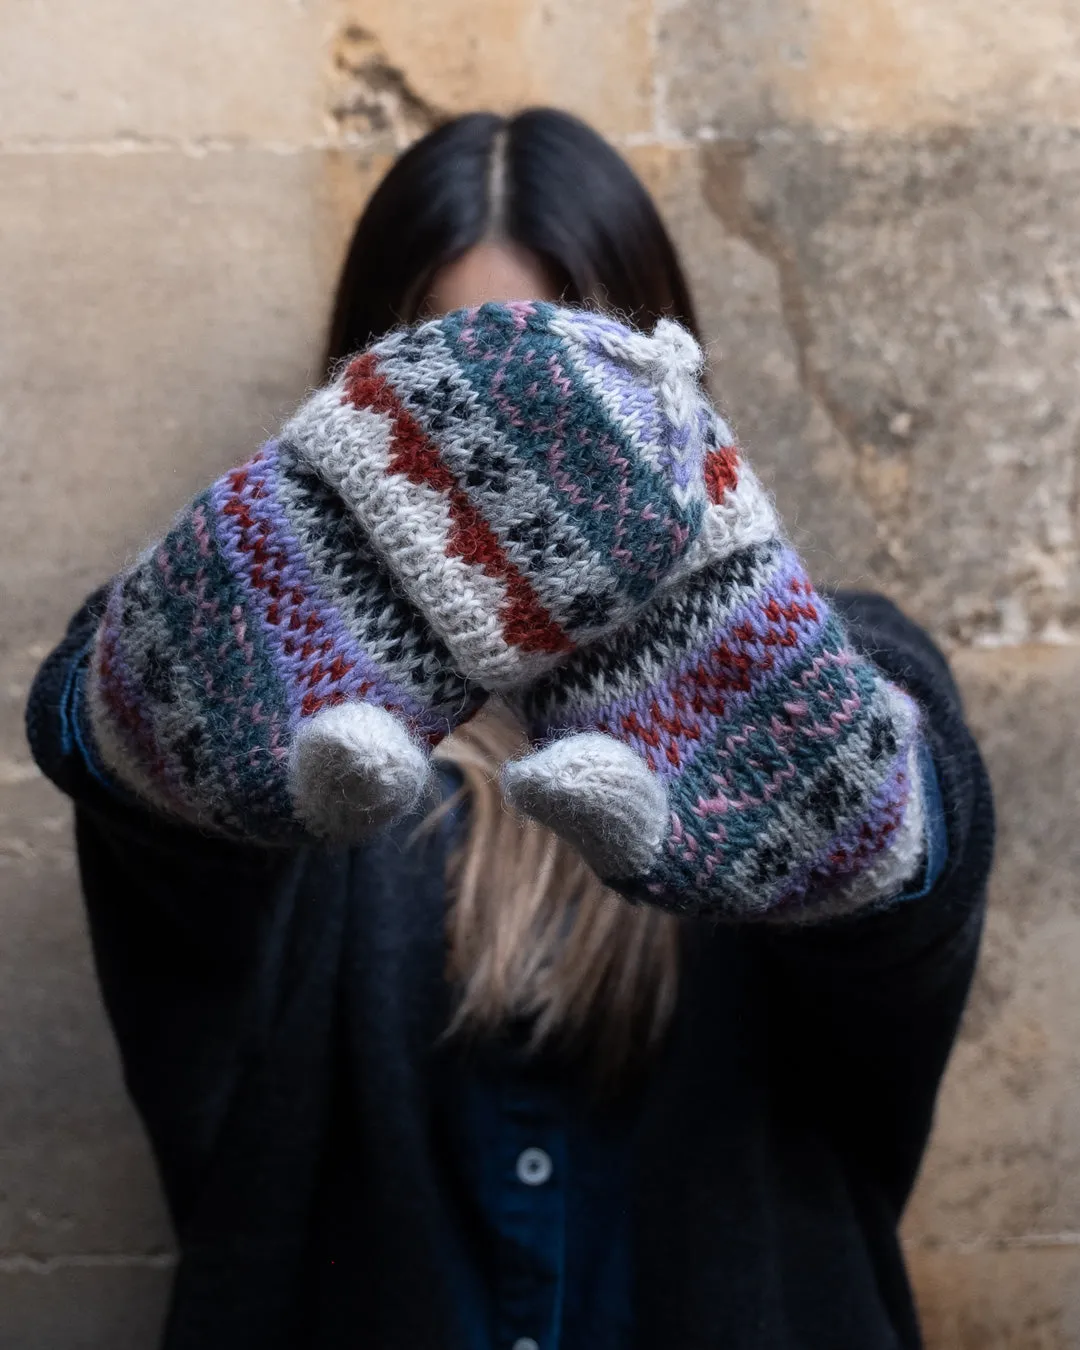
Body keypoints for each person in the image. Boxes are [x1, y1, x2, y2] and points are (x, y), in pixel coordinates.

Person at [25, 109, 993, 1350]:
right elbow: (144, 822)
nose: (512, 453)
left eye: (568, 371)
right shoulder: (289, 739)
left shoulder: (818, 686)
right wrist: (141, 708)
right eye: (455, 371)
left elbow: (917, 842)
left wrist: (874, 826)